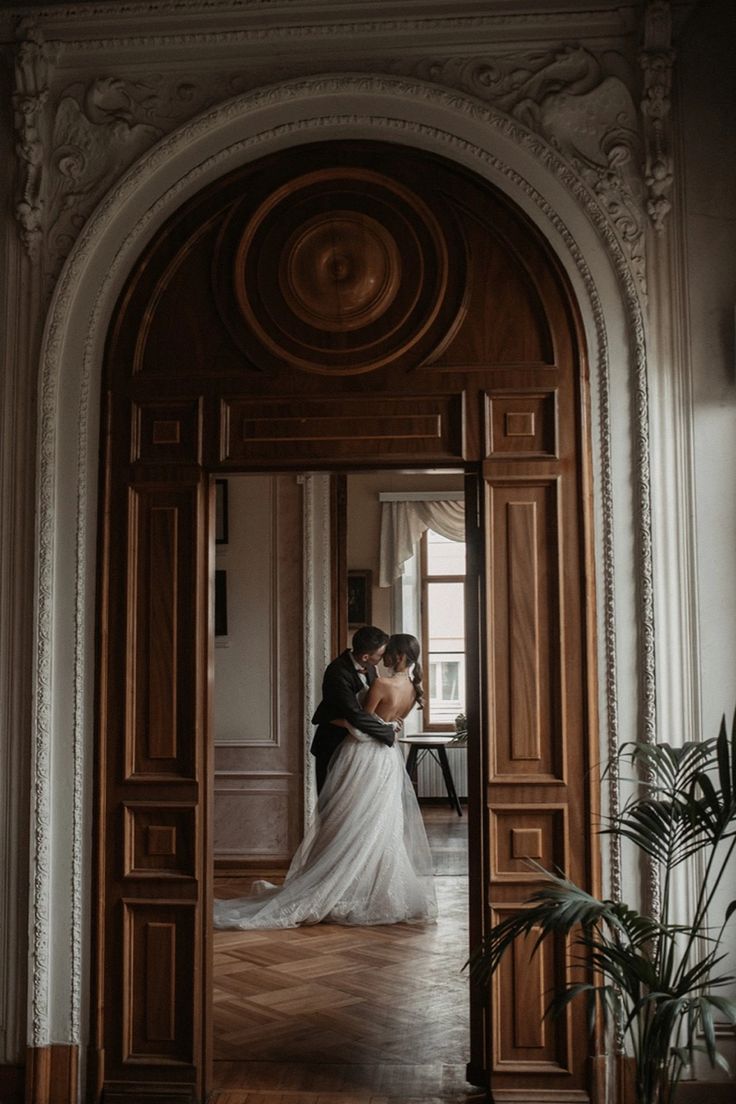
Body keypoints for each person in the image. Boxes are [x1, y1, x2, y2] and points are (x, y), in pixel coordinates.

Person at [213, 633, 438, 929]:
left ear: (396, 656)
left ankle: (342, 885)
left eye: (386, 654)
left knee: (348, 820)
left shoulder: (381, 682)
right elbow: (389, 722)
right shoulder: (409, 688)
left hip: (361, 757)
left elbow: (360, 726)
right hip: (386, 760)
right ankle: (368, 886)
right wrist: (387, 730)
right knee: (375, 822)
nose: (381, 659)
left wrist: (336, 721)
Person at [311, 626, 399, 794]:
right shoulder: (337, 671)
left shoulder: (372, 668)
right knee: (332, 799)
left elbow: (372, 706)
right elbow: (355, 714)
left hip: (359, 745)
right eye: (380, 655)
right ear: (366, 656)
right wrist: (386, 732)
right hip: (333, 742)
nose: (382, 658)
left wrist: (389, 721)